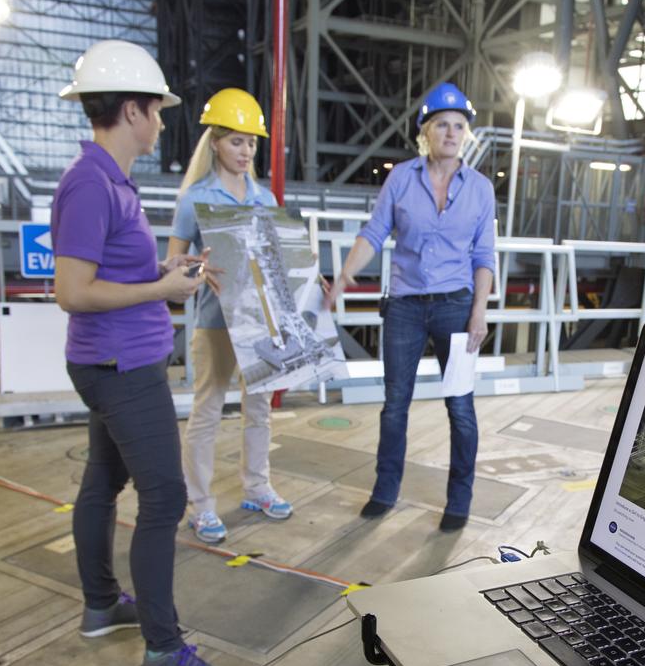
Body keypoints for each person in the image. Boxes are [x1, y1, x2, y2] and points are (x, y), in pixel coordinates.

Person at [52, 39, 234, 666]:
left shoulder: (110, 180)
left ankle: (103, 604)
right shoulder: (90, 183)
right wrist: (161, 292)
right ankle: (163, 647)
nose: (162, 123)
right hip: (119, 363)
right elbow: (71, 290)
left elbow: (110, 273)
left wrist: (166, 273)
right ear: (132, 109)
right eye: (157, 110)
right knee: (166, 496)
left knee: (104, 479)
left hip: (116, 357)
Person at [325, 82, 496, 532]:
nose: (452, 132)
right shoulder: (402, 177)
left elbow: (484, 257)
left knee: (460, 406)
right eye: (442, 124)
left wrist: (479, 310)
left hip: (457, 307)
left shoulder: (479, 189)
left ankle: (459, 499)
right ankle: (385, 491)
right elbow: (374, 233)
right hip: (404, 305)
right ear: (426, 131)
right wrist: (344, 276)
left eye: (459, 125)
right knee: (394, 404)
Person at [167, 88, 292, 544]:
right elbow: (173, 266)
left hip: (259, 323)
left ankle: (257, 487)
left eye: (251, 143)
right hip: (216, 322)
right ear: (216, 141)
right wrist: (199, 267)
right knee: (208, 411)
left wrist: (303, 277)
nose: (245, 151)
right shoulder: (195, 199)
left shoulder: (264, 197)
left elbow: (277, 261)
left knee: (259, 410)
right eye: (236, 141)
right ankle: (200, 506)